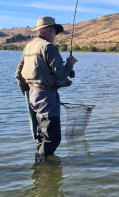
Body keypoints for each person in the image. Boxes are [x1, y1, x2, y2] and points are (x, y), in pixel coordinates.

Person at [15, 16, 77, 157]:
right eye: (55, 31)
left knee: (43, 137)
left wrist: (28, 94)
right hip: (48, 99)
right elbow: (61, 75)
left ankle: (39, 168)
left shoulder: (28, 47)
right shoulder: (49, 47)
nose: (55, 35)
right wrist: (70, 64)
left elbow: (18, 75)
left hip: (32, 96)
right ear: (49, 29)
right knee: (53, 139)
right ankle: (45, 172)